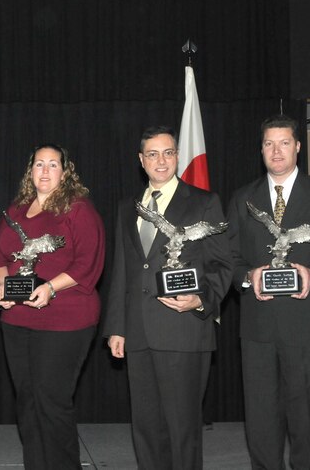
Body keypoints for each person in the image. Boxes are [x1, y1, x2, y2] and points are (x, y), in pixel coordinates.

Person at [102, 126, 231, 470]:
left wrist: (201, 299)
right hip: (139, 333)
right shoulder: (126, 208)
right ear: (141, 160)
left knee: (182, 429)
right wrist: (117, 327)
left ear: (177, 156)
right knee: (146, 428)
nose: (162, 160)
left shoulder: (204, 202)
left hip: (183, 330)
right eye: (153, 154)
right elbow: (123, 272)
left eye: (169, 152)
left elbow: (223, 264)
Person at [228, 114, 310, 469]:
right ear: (260, 150)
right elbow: (228, 256)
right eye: (268, 143)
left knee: (306, 418)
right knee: (261, 420)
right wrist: (248, 276)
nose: (275, 151)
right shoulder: (241, 198)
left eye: (283, 143)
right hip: (258, 329)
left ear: (297, 146)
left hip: (308, 326)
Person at [0, 144, 104, 470]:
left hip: (66, 321)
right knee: (27, 404)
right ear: (31, 171)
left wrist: (51, 287)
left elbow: (88, 264)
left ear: (65, 172)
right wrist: (3, 287)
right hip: (17, 319)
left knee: (52, 404)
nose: (46, 171)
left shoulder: (79, 210)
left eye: (53, 164)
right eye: (40, 164)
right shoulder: (17, 211)